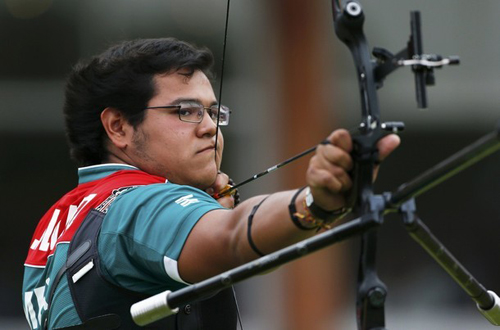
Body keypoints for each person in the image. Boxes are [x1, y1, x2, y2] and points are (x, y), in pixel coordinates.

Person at [22, 38, 400, 330]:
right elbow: (231, 235)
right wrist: (317, 203)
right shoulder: (136, 205)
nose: (209, 127)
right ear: (118, 127)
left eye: (213, 111)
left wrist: (203, 217)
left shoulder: (56, 222)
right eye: (185, 111)